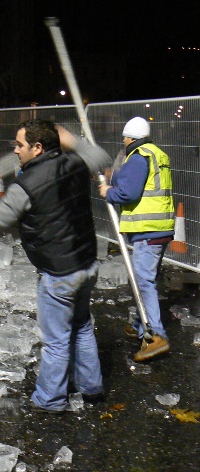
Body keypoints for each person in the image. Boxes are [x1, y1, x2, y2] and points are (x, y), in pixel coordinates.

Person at [0, 119, 111, 413]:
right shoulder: (75, 163)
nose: (15, 150)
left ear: (37, 147)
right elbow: (101, 156)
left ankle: (50, 400)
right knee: (82, 327)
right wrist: (72, 140)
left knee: (57, 341)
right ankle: (92, 388)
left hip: (59, 273)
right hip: (87, 264)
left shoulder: (27, 184)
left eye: (19, 144)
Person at [99, 116, 174, 362]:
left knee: (143, 282)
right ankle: (139, 324)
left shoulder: (138, 156)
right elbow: (135, 182)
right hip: (158, 229)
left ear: (130, 137)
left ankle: (155, 336)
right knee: (143, 278)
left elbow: (128, 192)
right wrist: (113, 176)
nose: (123, 141)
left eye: (124, 137)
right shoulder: (154, 153)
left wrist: (108, 191)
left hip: (148, 231)